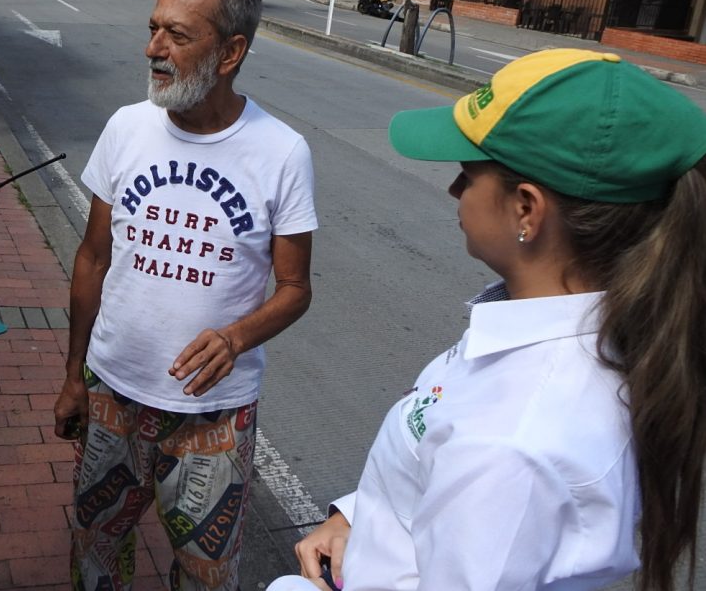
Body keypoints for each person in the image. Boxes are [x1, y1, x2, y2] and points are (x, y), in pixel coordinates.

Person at [271, 49, 706, 591]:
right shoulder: (548, 326)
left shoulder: (513, 444)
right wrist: (363, 517)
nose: (454, 189)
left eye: (468, 173)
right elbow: (437, 454)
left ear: (526, 208)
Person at [53, 0, 318, 590]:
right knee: (95, 549)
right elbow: (93, 259)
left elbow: (295, 288)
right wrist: (73, 377)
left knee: (206, 574)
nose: (153, 50)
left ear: (231, 52)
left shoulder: (281, 152)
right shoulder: (127, 127)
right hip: (111, 391)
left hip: (212, 417)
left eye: (176, 35)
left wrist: (235, 337)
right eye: (152, 30)